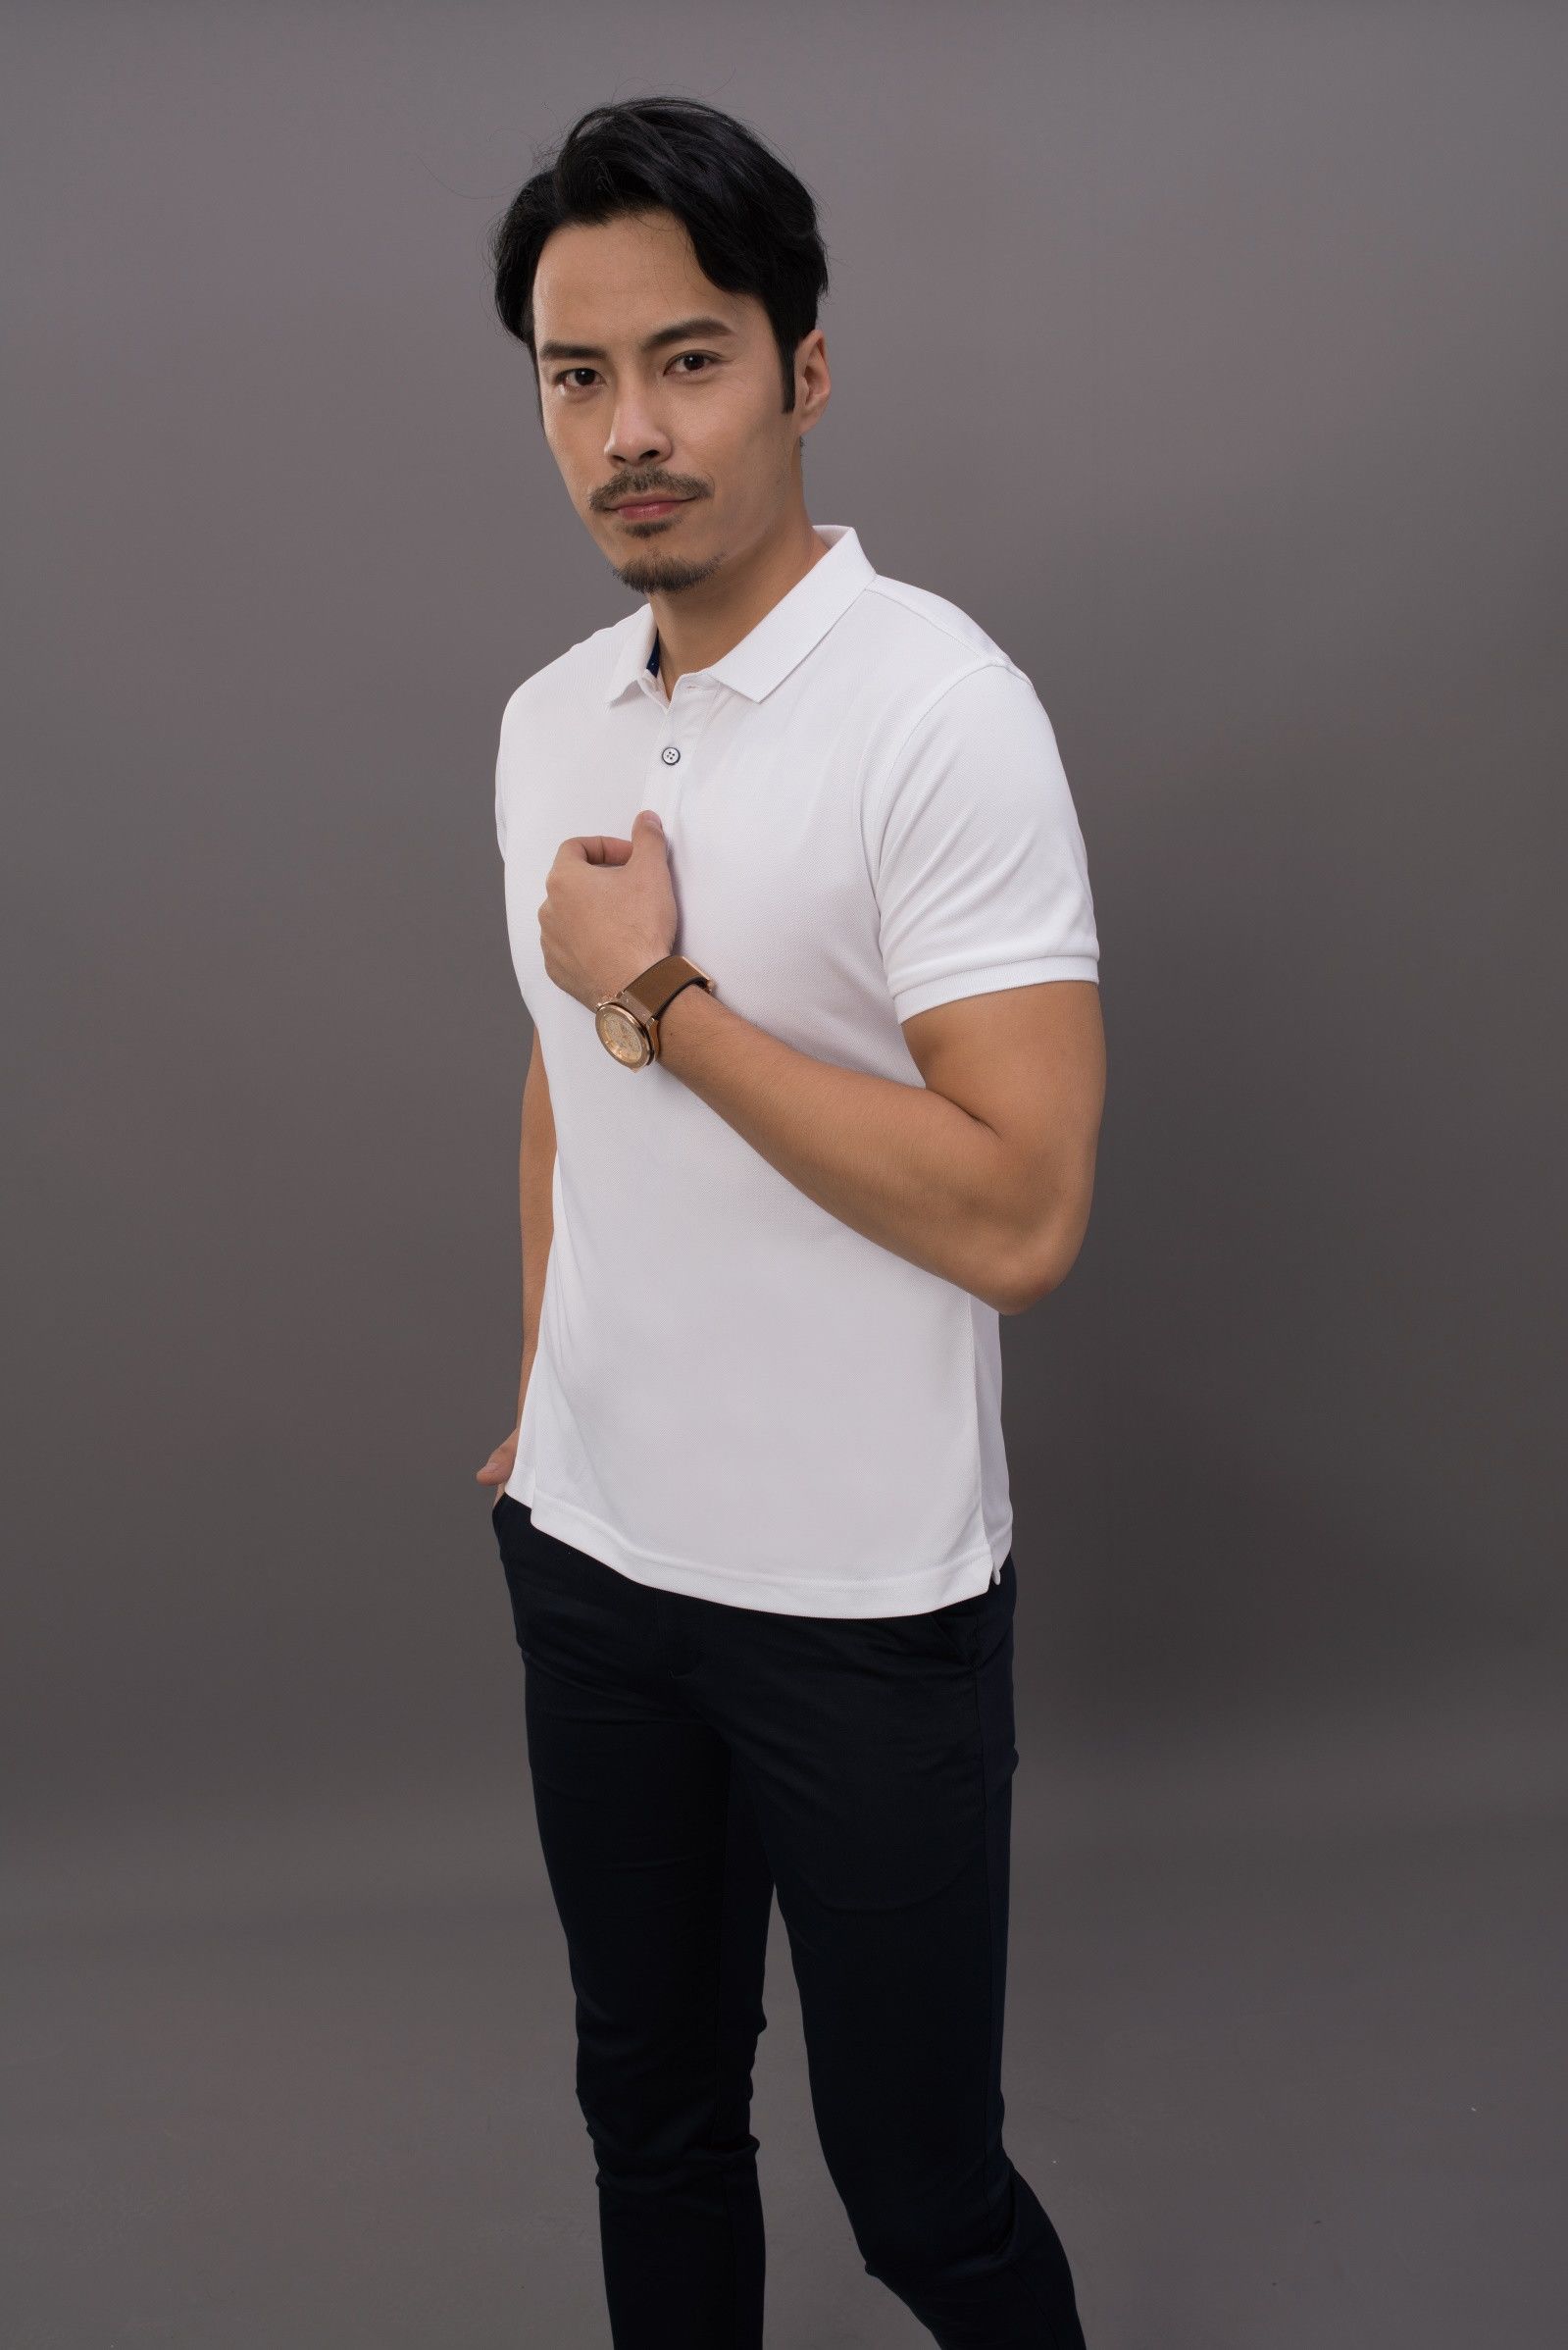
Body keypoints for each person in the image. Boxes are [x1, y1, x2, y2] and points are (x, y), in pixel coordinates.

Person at [476, 93, 1104, 2350]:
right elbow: (559, 1092)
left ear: (801, 368)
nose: (629, 431)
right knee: (649, 2126)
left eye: (688, 359)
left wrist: (661, 995)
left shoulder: (938, 713)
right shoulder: (545, 721)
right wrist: (544, 1407)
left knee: (923, 2201)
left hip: (858, 1599)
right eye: (576, 375)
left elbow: (1017, 1208)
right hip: (592, 1568)